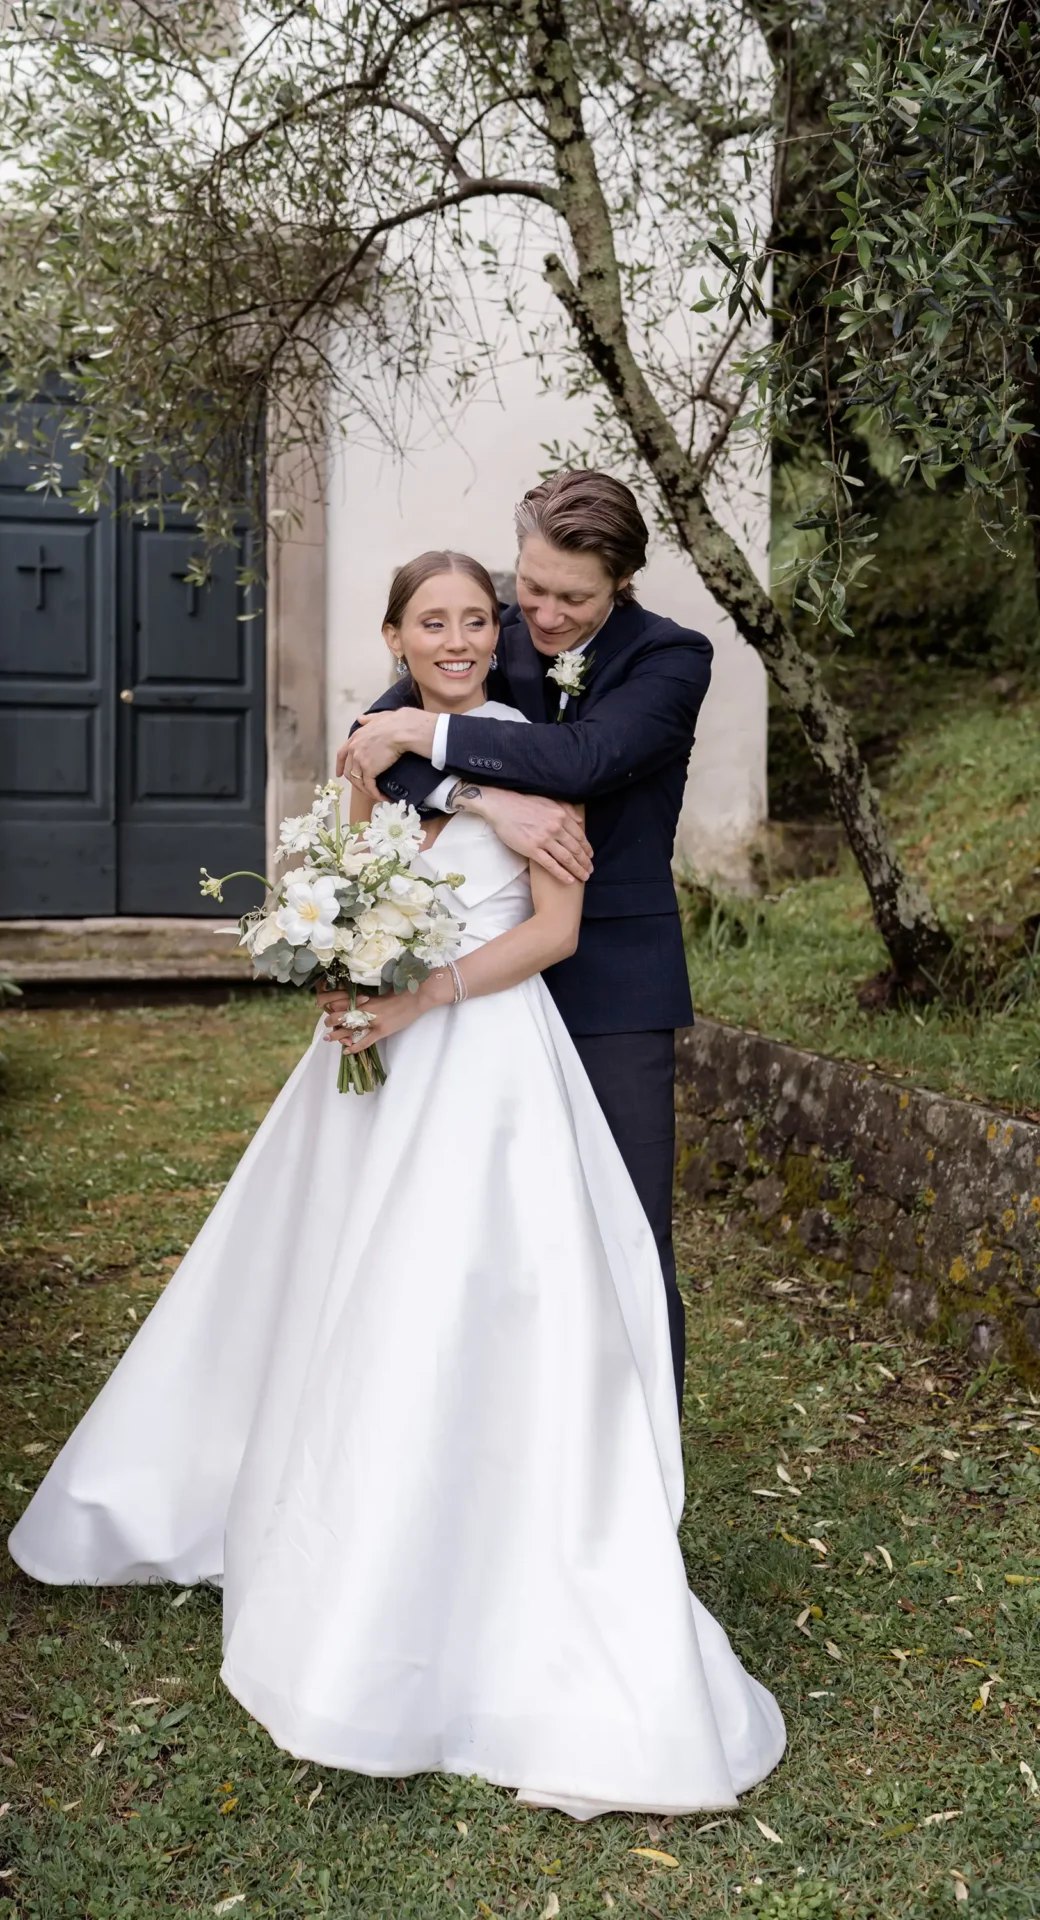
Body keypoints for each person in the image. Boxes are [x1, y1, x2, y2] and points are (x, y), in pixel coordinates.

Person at [9, 549, 785, 1819]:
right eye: (437, 620)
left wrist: (424, 990)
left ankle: (482, 1557)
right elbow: (336, 881)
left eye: (481, 619)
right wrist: (340, 966)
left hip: (484, 1064)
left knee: (469, 1296)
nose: (466, 636)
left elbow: (553, 931)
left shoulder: (536, 746)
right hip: (367, 1068)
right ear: (394, 634)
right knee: (334, 1280)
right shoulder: (377, 752)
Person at [337, 471, 711, 1416]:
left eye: (569, 598)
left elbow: (584, 760)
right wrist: (474, 794)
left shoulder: (672, 659)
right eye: (529, 586)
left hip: (613, 985)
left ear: (621, 582)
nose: (536, 614)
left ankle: (642, 1478)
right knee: (482, 1238)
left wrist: (436, 732)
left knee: (624, 1229)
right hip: (478, 992)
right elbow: (372, 743)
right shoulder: (488, 627)